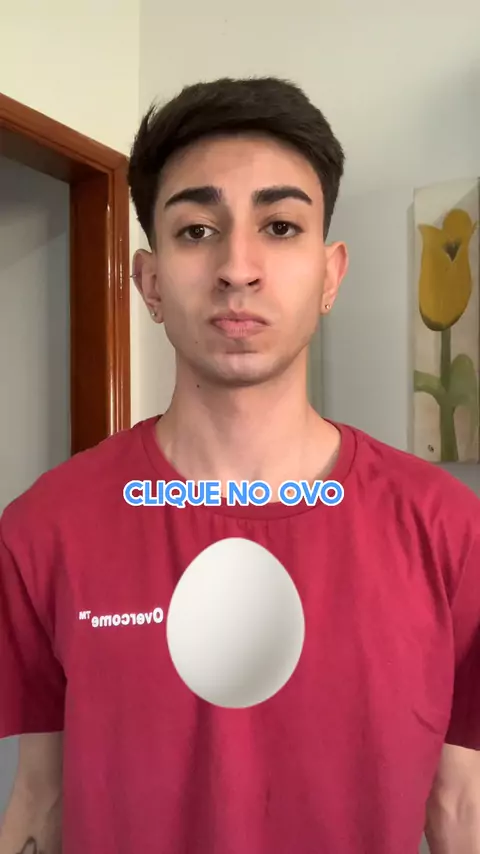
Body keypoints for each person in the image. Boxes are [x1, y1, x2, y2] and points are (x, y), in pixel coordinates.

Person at [0, 76, 479, 854]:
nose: (238, 267)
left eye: (280, 226)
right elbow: (39, 798)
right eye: (197, 231)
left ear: (330, 274)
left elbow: (460, 807)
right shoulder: (42, 530)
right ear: (150, 282)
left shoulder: (450, 531)